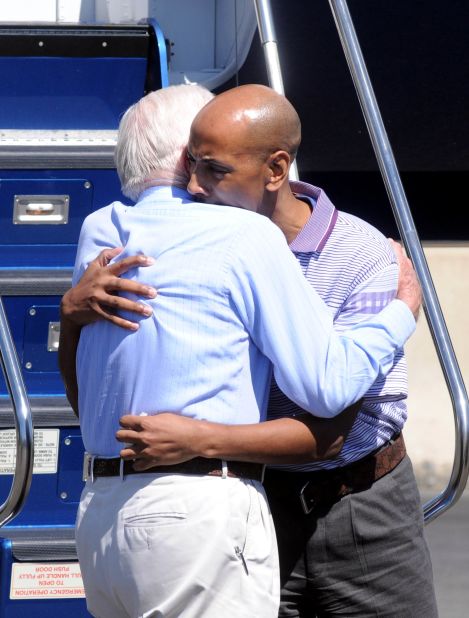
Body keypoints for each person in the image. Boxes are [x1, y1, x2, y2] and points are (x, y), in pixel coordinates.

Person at [60, 84, 421, 618]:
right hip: (218, 504)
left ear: (275, 169)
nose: (197, 187)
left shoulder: (105, 229)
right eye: (193, 165)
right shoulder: (236, 237)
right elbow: (325, 388)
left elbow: (333, 430)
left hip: (356, 501)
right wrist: (403, 311)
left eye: (213, 169)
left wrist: (198, 437)